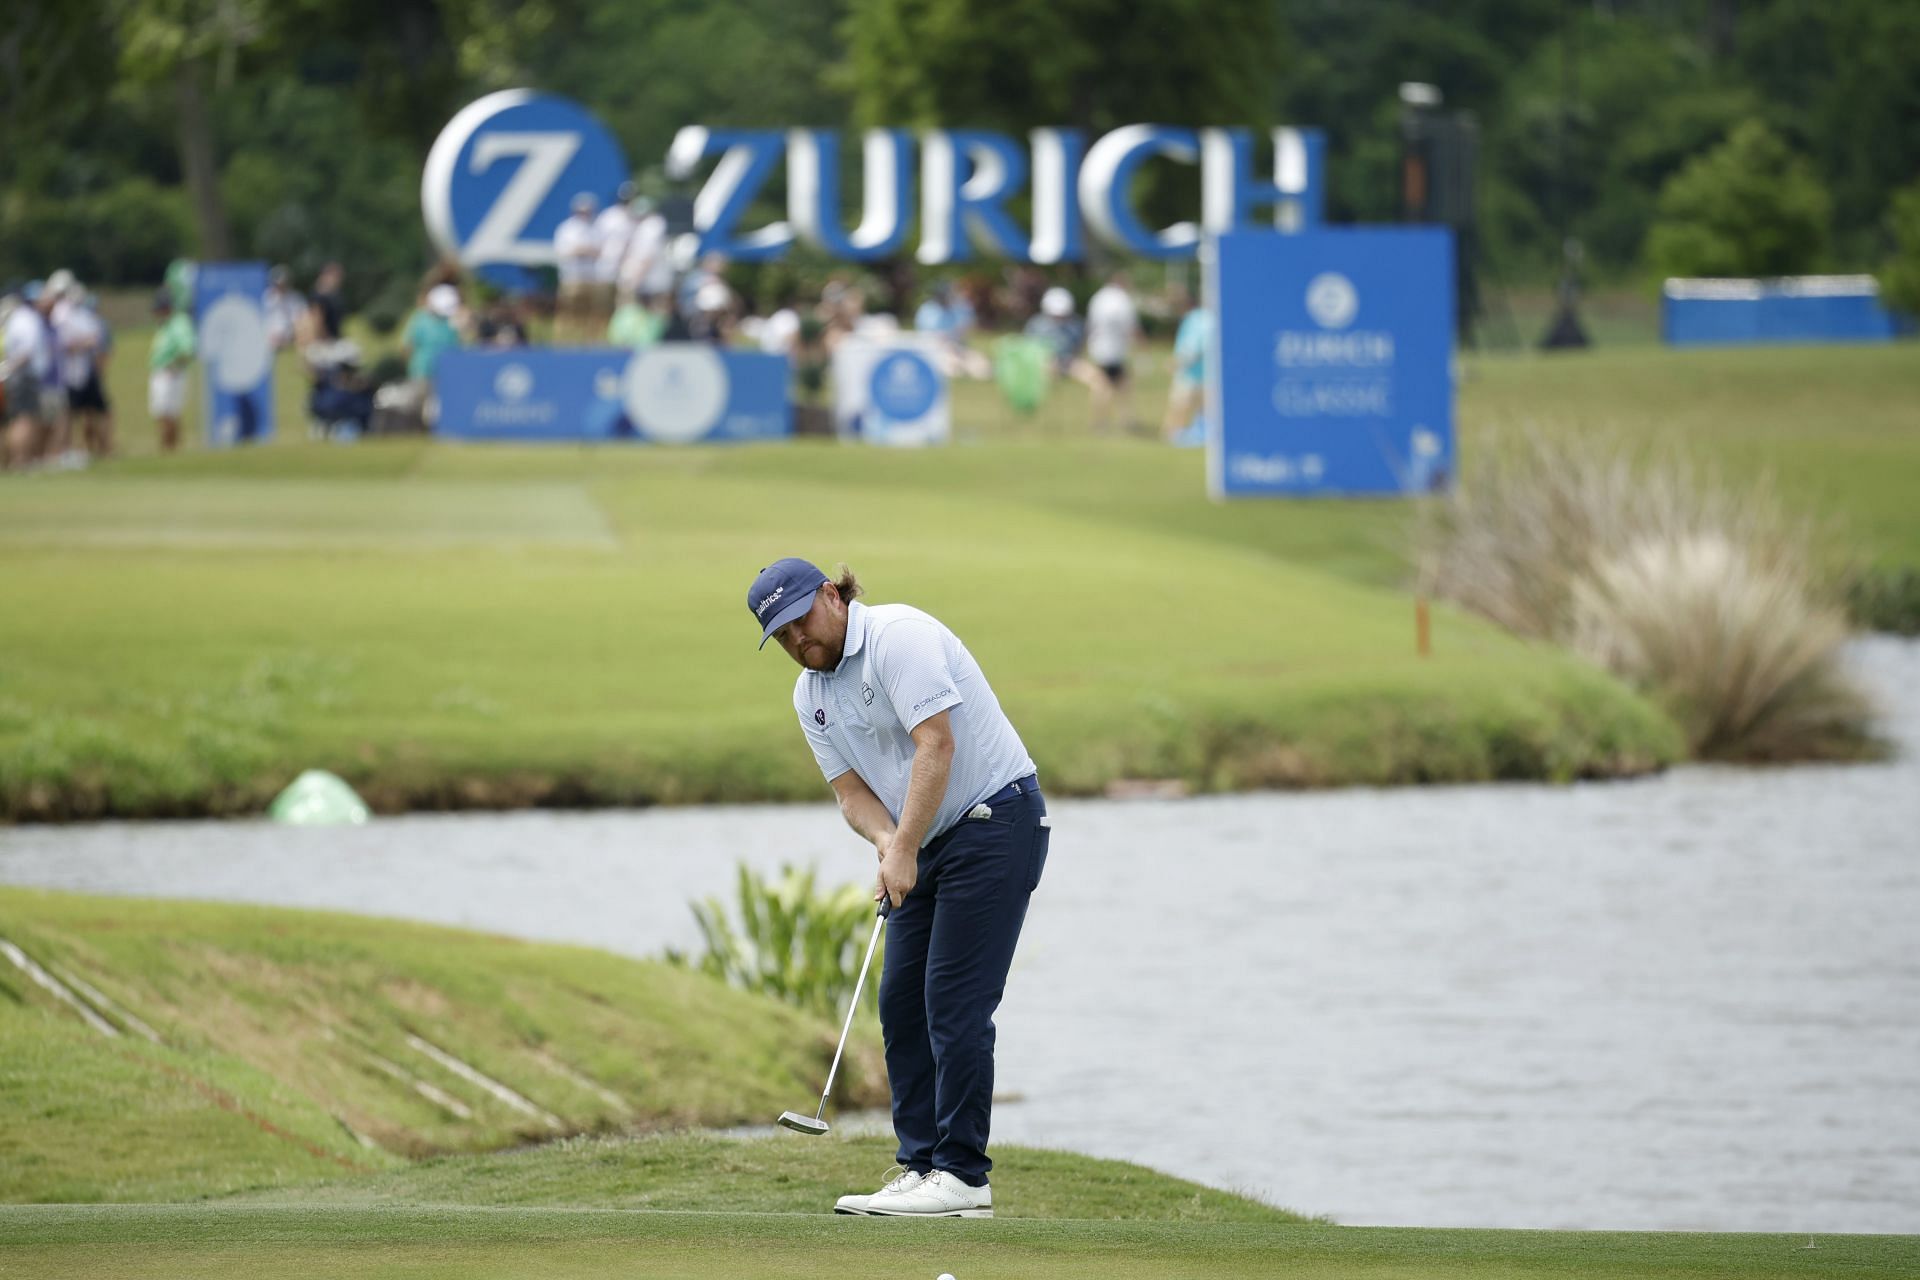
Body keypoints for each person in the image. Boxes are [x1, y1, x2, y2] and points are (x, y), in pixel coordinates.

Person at [748, 558, 1049, 1220]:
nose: (799, 641)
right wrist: (889, 844)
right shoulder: (810, 696)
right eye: (783, 636)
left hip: (994, 819)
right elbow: (850, 794)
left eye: (801, 620)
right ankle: (920, 1168)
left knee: (953, 1001)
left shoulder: (897, 637)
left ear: (832, 594)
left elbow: (935, 745)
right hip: (925, 837)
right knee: (901, 1003)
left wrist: (906, 845)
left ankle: (964, 1175)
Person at [57, 285, 114, 460]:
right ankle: (65, 451)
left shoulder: (86, 318)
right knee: (70, 413)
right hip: (71, 375)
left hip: (87, 373)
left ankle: (104, 450)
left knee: (98, 411)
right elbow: (65, 345)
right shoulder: (64, 316)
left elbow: (97, 344)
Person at [2, 283, 53, 467]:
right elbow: (26, 351)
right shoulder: (28, 319)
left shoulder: (18, 318)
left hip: (19, 375)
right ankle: (20, 460)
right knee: (25, 418)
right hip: (25, 376)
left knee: (18, 418)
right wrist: (10, 369)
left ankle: (16, 459)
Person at [1083, 268, 1138, 434]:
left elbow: (1090, 325)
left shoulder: (1098, 298)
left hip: (1099, 348)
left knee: (1104, 385)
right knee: (1115, 386)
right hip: (1115, 349)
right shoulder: (1122, 300)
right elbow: (1130, 326)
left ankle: (1103, 421)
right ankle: (1121, 420)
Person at [1163, 285, 1212, 447]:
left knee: (1179, 408)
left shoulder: (1196, 319)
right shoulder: (1209, 318)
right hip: (1207, 374)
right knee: (1202, 411)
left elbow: (1194, 347)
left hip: (1191, 373)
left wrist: (1177, 362)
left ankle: (1172, 437)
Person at [148, 289, 196, 452]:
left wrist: (174, 366)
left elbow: (188, 349)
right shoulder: (167, 324)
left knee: (167, 413)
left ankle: (169, 448)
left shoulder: (178, 323)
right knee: (164, 413)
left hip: (170, 373)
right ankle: (170, 448)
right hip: (164, 372)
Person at [552, 193, 600, 343]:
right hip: (571, 278)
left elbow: (599, 251)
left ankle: (588, 341)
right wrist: (584, 250)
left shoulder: (595, 228)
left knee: (591, 314)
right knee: (568, 312)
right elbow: (565, 252)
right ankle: (563, 342)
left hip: (591, 278)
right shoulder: (567, 229)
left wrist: (584, 250)